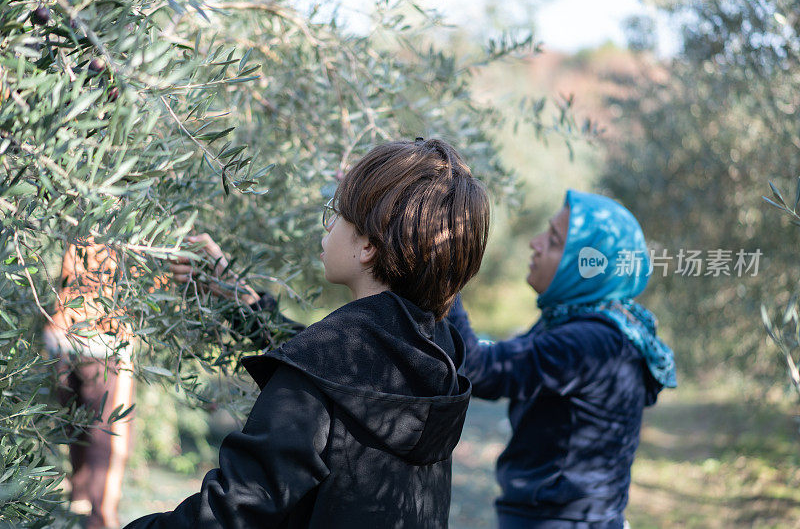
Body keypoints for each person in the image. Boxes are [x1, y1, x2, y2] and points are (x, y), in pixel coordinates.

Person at [124, 138, 491, 528]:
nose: (329, 224)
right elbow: (343, 366)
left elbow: (233, 512)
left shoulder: (325, 369)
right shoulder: (439, 354)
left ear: (368, 245)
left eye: (337, 213)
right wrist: (240, 297)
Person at [447, 190, 677, 529]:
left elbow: (480, 370)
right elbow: (492, 358)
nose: (535, 244)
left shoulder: (589, 342)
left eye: (554, 241)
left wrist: (442, 275)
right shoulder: (590, 324)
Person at [43, 240, 136, 529]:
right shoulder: (122, 232)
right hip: (100, 344)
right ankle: (99, 518)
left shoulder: (78, 220)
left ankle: (89, 513)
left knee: (85, 439)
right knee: (103, 444)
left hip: (69, 340)